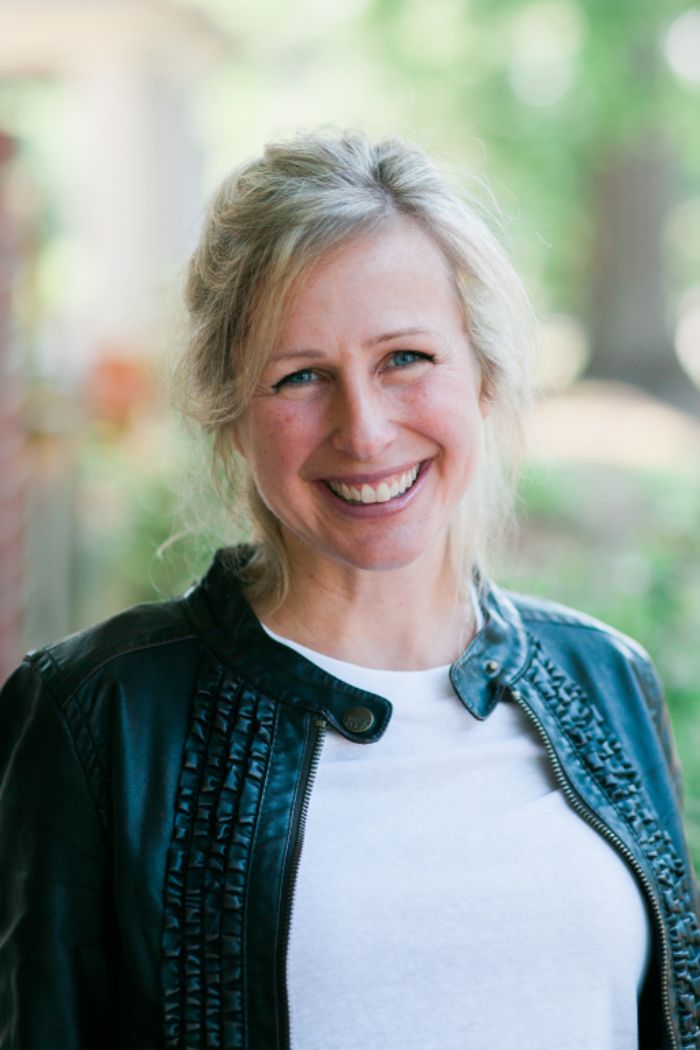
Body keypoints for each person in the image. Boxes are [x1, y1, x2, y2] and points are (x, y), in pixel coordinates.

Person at [0, 129, 698, 1050]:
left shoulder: (607, 679)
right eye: (300, 376)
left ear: (484, 375)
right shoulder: (98, 717)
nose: (364, 431)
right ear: (230, 415)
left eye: (405, 358)